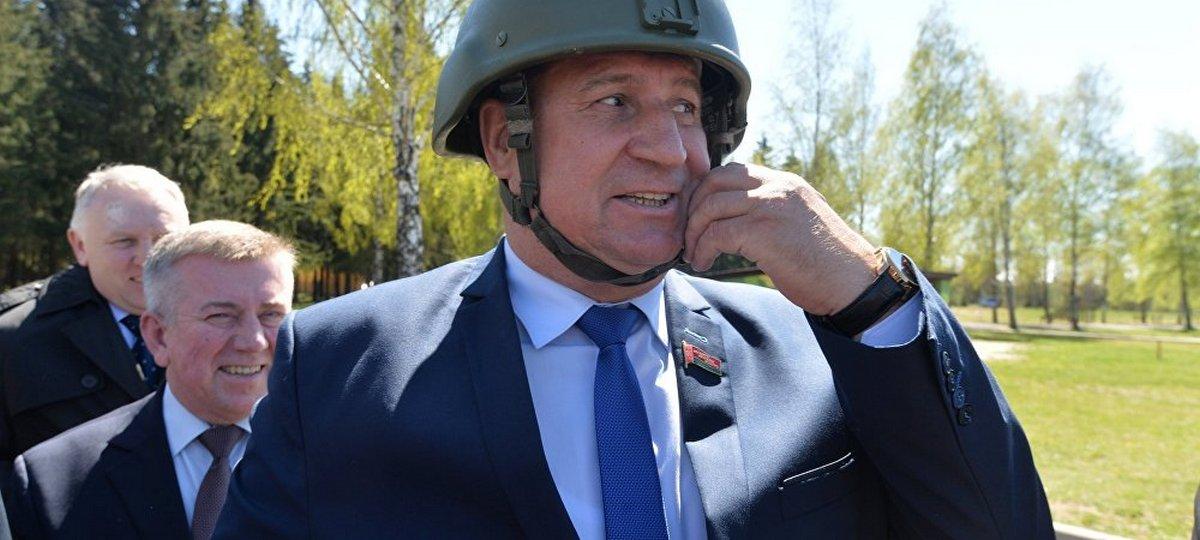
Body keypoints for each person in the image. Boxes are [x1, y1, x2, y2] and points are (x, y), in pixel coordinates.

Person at [217, 1, 1052, 538]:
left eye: (685, 107)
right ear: (506, 142)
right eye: (615, 101)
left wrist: (872, 296)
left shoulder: (817, 349)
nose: (671, 149)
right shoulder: (338, 367)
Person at [3, 221, 295, 539]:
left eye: (272, 315)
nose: (253, 341)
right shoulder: (53, 479)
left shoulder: (333, 453)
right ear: (158, 336)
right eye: (221, 316)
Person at [0, 164, 190, 460]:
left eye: (165, 239)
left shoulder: (237, 323)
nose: (147, 258)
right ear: (80, 246)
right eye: (124, 241)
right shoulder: (13, 340)